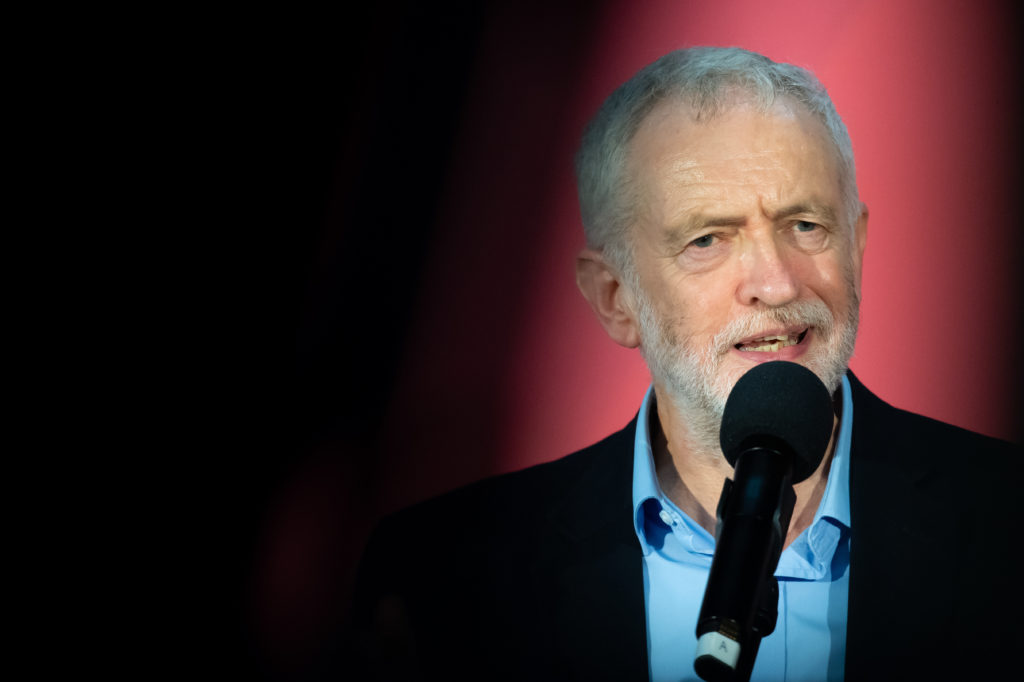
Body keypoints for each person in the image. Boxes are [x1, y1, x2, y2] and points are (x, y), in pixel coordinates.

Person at [349, 47, 1021, 682]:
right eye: (707, 239)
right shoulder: (440, 576)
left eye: (806, 226)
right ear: (616, 300)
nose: (779, 284)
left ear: (858, 245)